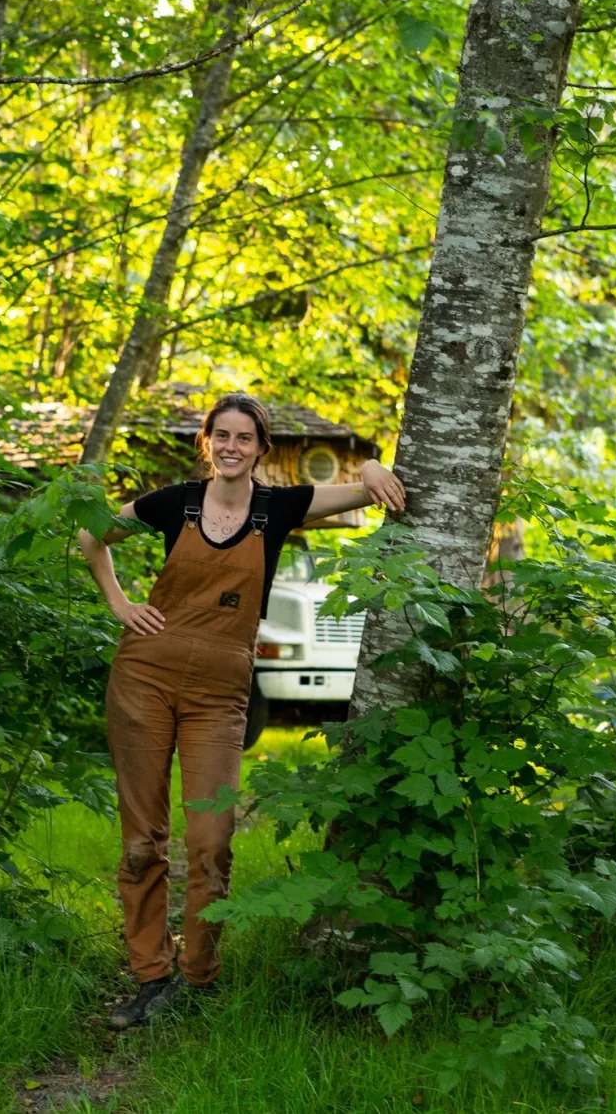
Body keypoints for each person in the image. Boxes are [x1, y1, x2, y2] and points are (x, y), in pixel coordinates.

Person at [78, 394, 406, 1029]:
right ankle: (150, 974)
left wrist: (369, 470)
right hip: (144, 675)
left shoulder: (276, 509)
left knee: (211, 839)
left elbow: (365, 493)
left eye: (245, 438)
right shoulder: (173, 502)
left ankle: (198, 976)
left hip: (220, 692)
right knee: (143, 840)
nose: (232, 446)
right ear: (209, 442)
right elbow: (92, 531)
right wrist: (119, 605)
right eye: (221, 435)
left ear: (261, 449)